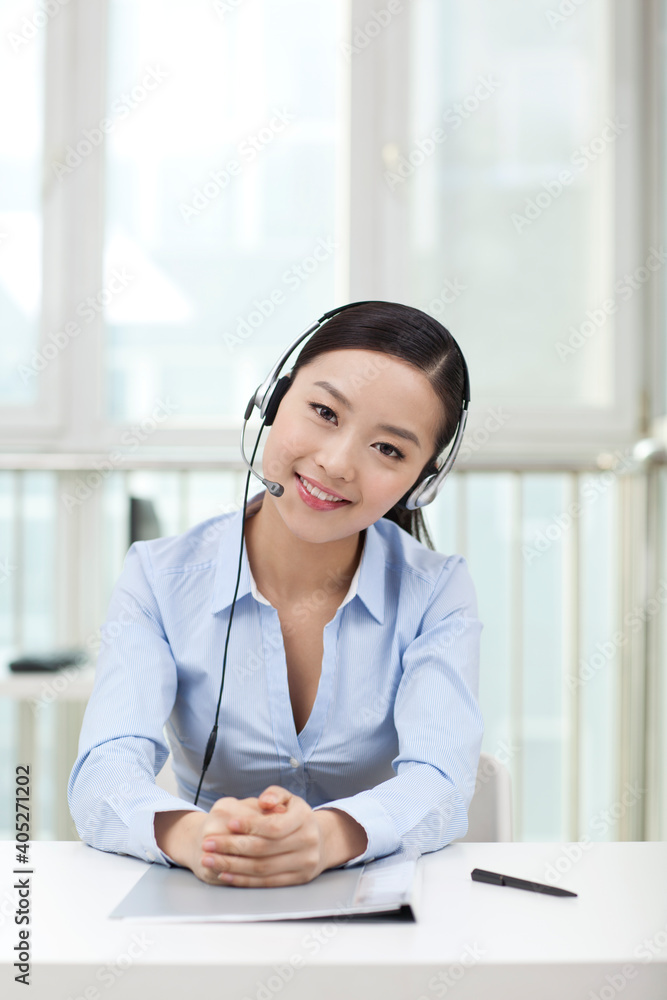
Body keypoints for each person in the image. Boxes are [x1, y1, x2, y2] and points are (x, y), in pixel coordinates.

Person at [68, 300, 484, 888]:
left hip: (378, 919)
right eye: (323, 411)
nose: (337, 463)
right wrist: (197, 837)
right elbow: (103, 772)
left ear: (422, 481)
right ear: (270, 401)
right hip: (209, 889)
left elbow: (440, 778)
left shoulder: (438, 591)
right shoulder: (159, 578)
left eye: (388, 449)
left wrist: (325, 838)